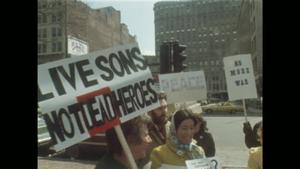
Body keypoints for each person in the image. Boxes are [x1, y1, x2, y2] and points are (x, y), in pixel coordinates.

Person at [137, 92, 171, 168]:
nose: (164, 111)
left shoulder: (171, 127)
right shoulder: (143, 132)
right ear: (150, 111)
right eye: (159, 108)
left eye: (165, 107)